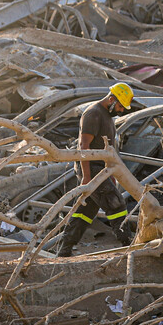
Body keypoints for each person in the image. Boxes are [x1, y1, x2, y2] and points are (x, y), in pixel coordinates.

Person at [55, 83, 135, 257]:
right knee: (116, 204)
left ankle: (64, 249)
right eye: (120, 106)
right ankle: (128, 244)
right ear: (111, 99)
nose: (121, 110)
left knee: (85, 211)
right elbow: (84, 146)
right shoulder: (93, 114)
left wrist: (111, 172)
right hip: (91, 168)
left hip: (100, 168)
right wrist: (86, 176)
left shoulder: (107, 116)